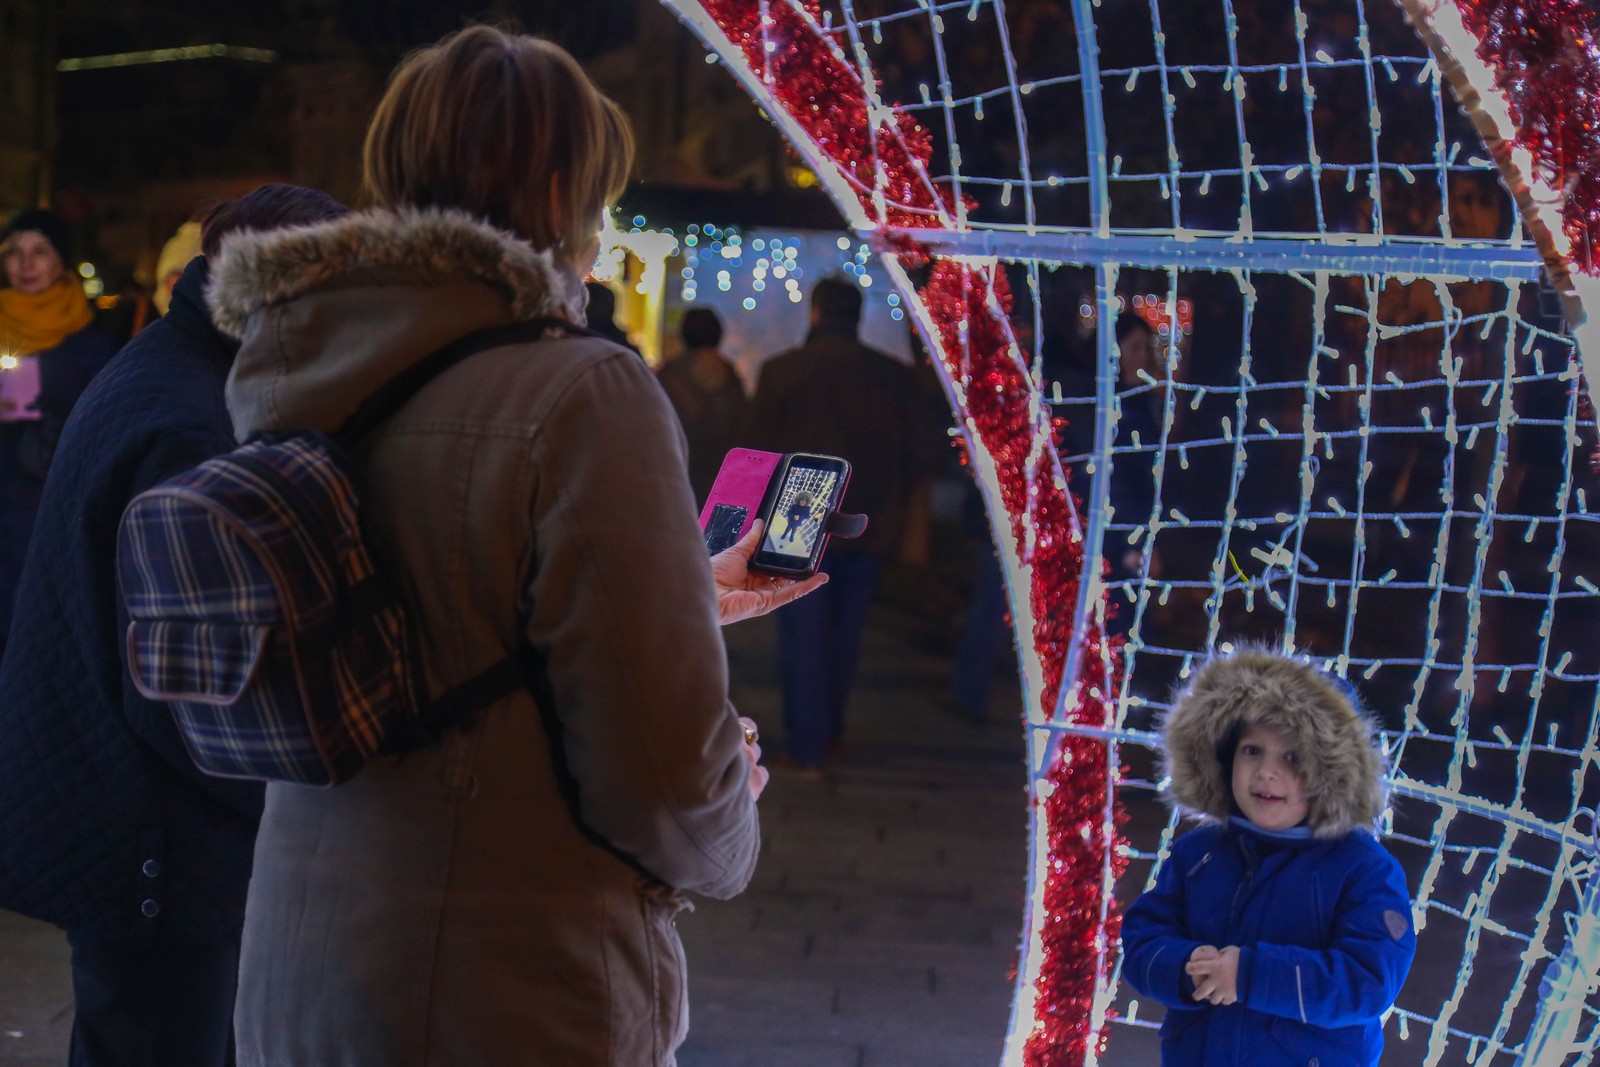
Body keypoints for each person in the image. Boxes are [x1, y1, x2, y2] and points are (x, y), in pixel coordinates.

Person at [202, 27, 813, 1065]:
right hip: (500, 983)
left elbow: (438, 610)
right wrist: (730, 823)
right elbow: (662, 776)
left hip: (304, 963)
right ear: (566, 189)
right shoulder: (583, 389)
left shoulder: (301, 360)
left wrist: (682, 593)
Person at [0, 185, 349, 1067]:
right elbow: (185, 692)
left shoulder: (177, 366)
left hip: (132, 822)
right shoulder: (193, 416)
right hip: (158, 840)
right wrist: (296, 799)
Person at [1120, 648, 1416, 1067]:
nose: (1266, 772)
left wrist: (1250, 975)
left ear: (1330, 771)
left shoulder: (1363, 869)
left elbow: (1368, 980)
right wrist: (1184, 967)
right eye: (1252, 751)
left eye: (1292, 757)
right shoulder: (1200, 854)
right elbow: (1143, 937)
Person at [742, 276, 929, 774]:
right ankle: (830, 734)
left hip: (795, 524)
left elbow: (758, 454)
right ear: (858, 315)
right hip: (866, 523)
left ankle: (806, 742)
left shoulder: (783, 371)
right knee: (846, 636)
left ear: (816, 312)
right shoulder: (891, 376)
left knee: (803, 637)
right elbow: (916, 454)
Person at [0, 208, 116, 659]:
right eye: (14, 252)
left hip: (53, 508)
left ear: (61, 263)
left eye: (40, 251)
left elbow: (105, 428)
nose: (26, 264)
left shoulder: (91, 344)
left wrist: (51, 422)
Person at [657, 307, 748, 505]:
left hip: (677, 471)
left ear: (684, 334)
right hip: (720, 473)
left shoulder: (670, 373)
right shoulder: (730, 375)